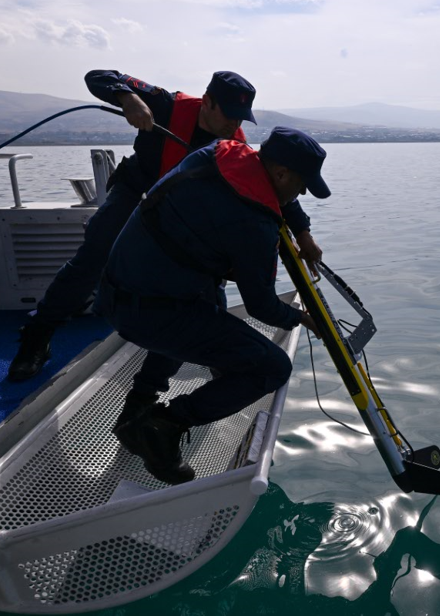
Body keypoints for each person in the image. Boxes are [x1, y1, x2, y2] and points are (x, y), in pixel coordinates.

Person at [7, 70, 323, 381]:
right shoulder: (166, 105)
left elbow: (267, 188)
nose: (234, 125)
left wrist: (303, 233)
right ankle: (37, 336)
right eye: (229, 115)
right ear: (208, 102)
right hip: (136, 193)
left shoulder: (233, 142)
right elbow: (98, 76)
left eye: (241, 118)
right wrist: (128, 99)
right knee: (93, 257)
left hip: (176, 219)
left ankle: (217, 363)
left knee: (209, 285)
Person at [96, 126, 329, 485]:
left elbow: (273, 193)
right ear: (281, 173)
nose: (301, 194)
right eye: (302, 185)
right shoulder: (254, 224)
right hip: (148, 310)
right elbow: (262, 307)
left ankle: (136, 410)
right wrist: (302, 318)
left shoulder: (220, 154)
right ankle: (163, 425)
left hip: (121, 285)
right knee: (270, 367)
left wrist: (302, 231)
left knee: (210, 304)